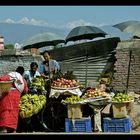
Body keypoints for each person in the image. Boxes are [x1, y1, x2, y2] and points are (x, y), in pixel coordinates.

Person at [0, 66, 28, 133]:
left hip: (8, 96)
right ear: (22, 73)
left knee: (5, 111)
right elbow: (26, 90)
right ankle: (14, 130)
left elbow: (2, 79)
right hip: (17, 97)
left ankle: (4, 129)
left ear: (16, 70)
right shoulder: (22, 79)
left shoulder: (11, 75)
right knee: (14, 113)